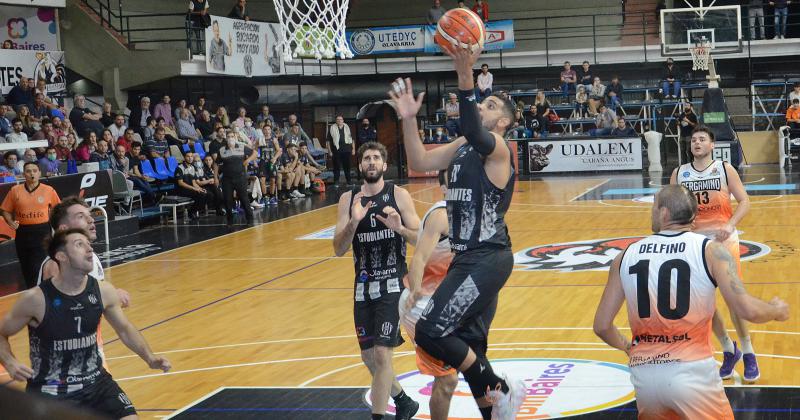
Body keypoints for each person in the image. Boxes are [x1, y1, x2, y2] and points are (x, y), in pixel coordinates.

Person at [390, 41, 525, 418]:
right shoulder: (464, 144)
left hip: (487, 259)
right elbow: (418, 159)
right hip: (469, 262)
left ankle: (498, 386)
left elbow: (470, 121)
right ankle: (495, 400)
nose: (483, 106)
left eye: (491, 105)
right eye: (482, 102)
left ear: (504, 123)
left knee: (432, 330)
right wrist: (407, 118)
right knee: (470, 349)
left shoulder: (498, 148)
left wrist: (465, 73)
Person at [593, 185, 789, 419]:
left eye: (653, 207)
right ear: (693, 218)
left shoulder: (624, 256)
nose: (651, 212)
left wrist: (628, 347)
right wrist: (776, 310)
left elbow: (602, 326)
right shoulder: (712, 251)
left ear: (664, 214)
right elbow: (747, 310)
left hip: (644, 377)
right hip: (693, 375)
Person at [0, 228, 171, 419]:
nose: (89, 249)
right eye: (79, 244)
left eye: (88, 244)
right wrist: (10, 362)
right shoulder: (35, 299)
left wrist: (150, 358)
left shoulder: (103, 291)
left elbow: (125, 329)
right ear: (61, 256)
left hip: (97, 383)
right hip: (51, 389)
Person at [333, 141, 421, 420]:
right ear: (360, 165)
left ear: (384, 165)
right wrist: (353, 223)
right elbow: (338, 249)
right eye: (366, 158)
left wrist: (400, 228)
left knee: (383, 355)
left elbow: (421, 239)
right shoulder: (348, 200)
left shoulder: (399, 195)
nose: (371, 162)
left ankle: (378, 417)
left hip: (394, 285)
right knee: (369, 358)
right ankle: (404, 401)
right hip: (363, 288)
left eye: (376, 158)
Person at [670, 126, 761, 383]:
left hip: (724, 239)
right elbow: (672, 208)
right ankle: (728, 349)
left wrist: (730, 224)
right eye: (693, 140)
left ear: (712, 145)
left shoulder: (724, 169)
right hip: (695, 243)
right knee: (703, 304)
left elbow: (745, 201)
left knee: (734, 300)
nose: (696, 143)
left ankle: (749, 352)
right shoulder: (679, 173)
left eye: (702, 139)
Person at [399, 170, 489, 420]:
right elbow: (419, 259)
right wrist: (415, 289)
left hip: (454, 304)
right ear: (444, 190)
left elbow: (421, 239)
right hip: (423, 305)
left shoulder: (474, 213)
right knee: (448, 379)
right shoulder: (441, 215)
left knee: (474, 367)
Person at [0, 162, 61, 289]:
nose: (31, 173)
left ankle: (46, 290)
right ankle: (32, 292)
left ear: (39, 173)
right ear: (23, 174)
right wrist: (10, 222)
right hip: (23, 232)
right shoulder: (15, 190)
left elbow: (58, 209)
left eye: (34, 170)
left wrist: (58, 228)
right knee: (26, 265)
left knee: (41, 265)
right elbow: (5, 210)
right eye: (28, 171)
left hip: (43, 231)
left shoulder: (48, 190)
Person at [217, 130, 256, 225]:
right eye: (228, 136)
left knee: (244, 199)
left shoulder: (242, 147)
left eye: (232, 136)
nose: (230, 138)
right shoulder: (222, 150)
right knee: (227, 200)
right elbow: (216, 163)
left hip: (240, 177)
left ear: (235, 137)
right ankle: (230, 220)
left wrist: (248, 160)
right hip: (227, 179)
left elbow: (255, 153)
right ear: (226, 138)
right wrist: (215, 177)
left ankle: (250, 219)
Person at [174, 151, 208, 220]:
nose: (190, 158)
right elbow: (180, 183)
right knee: (201, 195)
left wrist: (199, 188)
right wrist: (193, 188)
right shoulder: (179, 168)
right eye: (188, 156)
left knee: (206, 194)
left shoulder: (192, 167)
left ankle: (193, 211)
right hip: (182, 190)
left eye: (191, 156)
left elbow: (194, 182)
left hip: (190, 189)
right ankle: (191, 212)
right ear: (184, 157)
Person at [326, 115, 355, 186]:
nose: (339, 121)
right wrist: (329, 151)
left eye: (340, 119)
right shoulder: (332, 128)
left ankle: (349, 181)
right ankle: (336, 182)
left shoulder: (347, 127)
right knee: (336, 167)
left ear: (343, 120)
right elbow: (328, 141)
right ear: (336, 121)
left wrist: (353, 149)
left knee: (347, 167)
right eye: (338, 119)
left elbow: (352, 139)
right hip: (336, 151)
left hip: (346, 150)